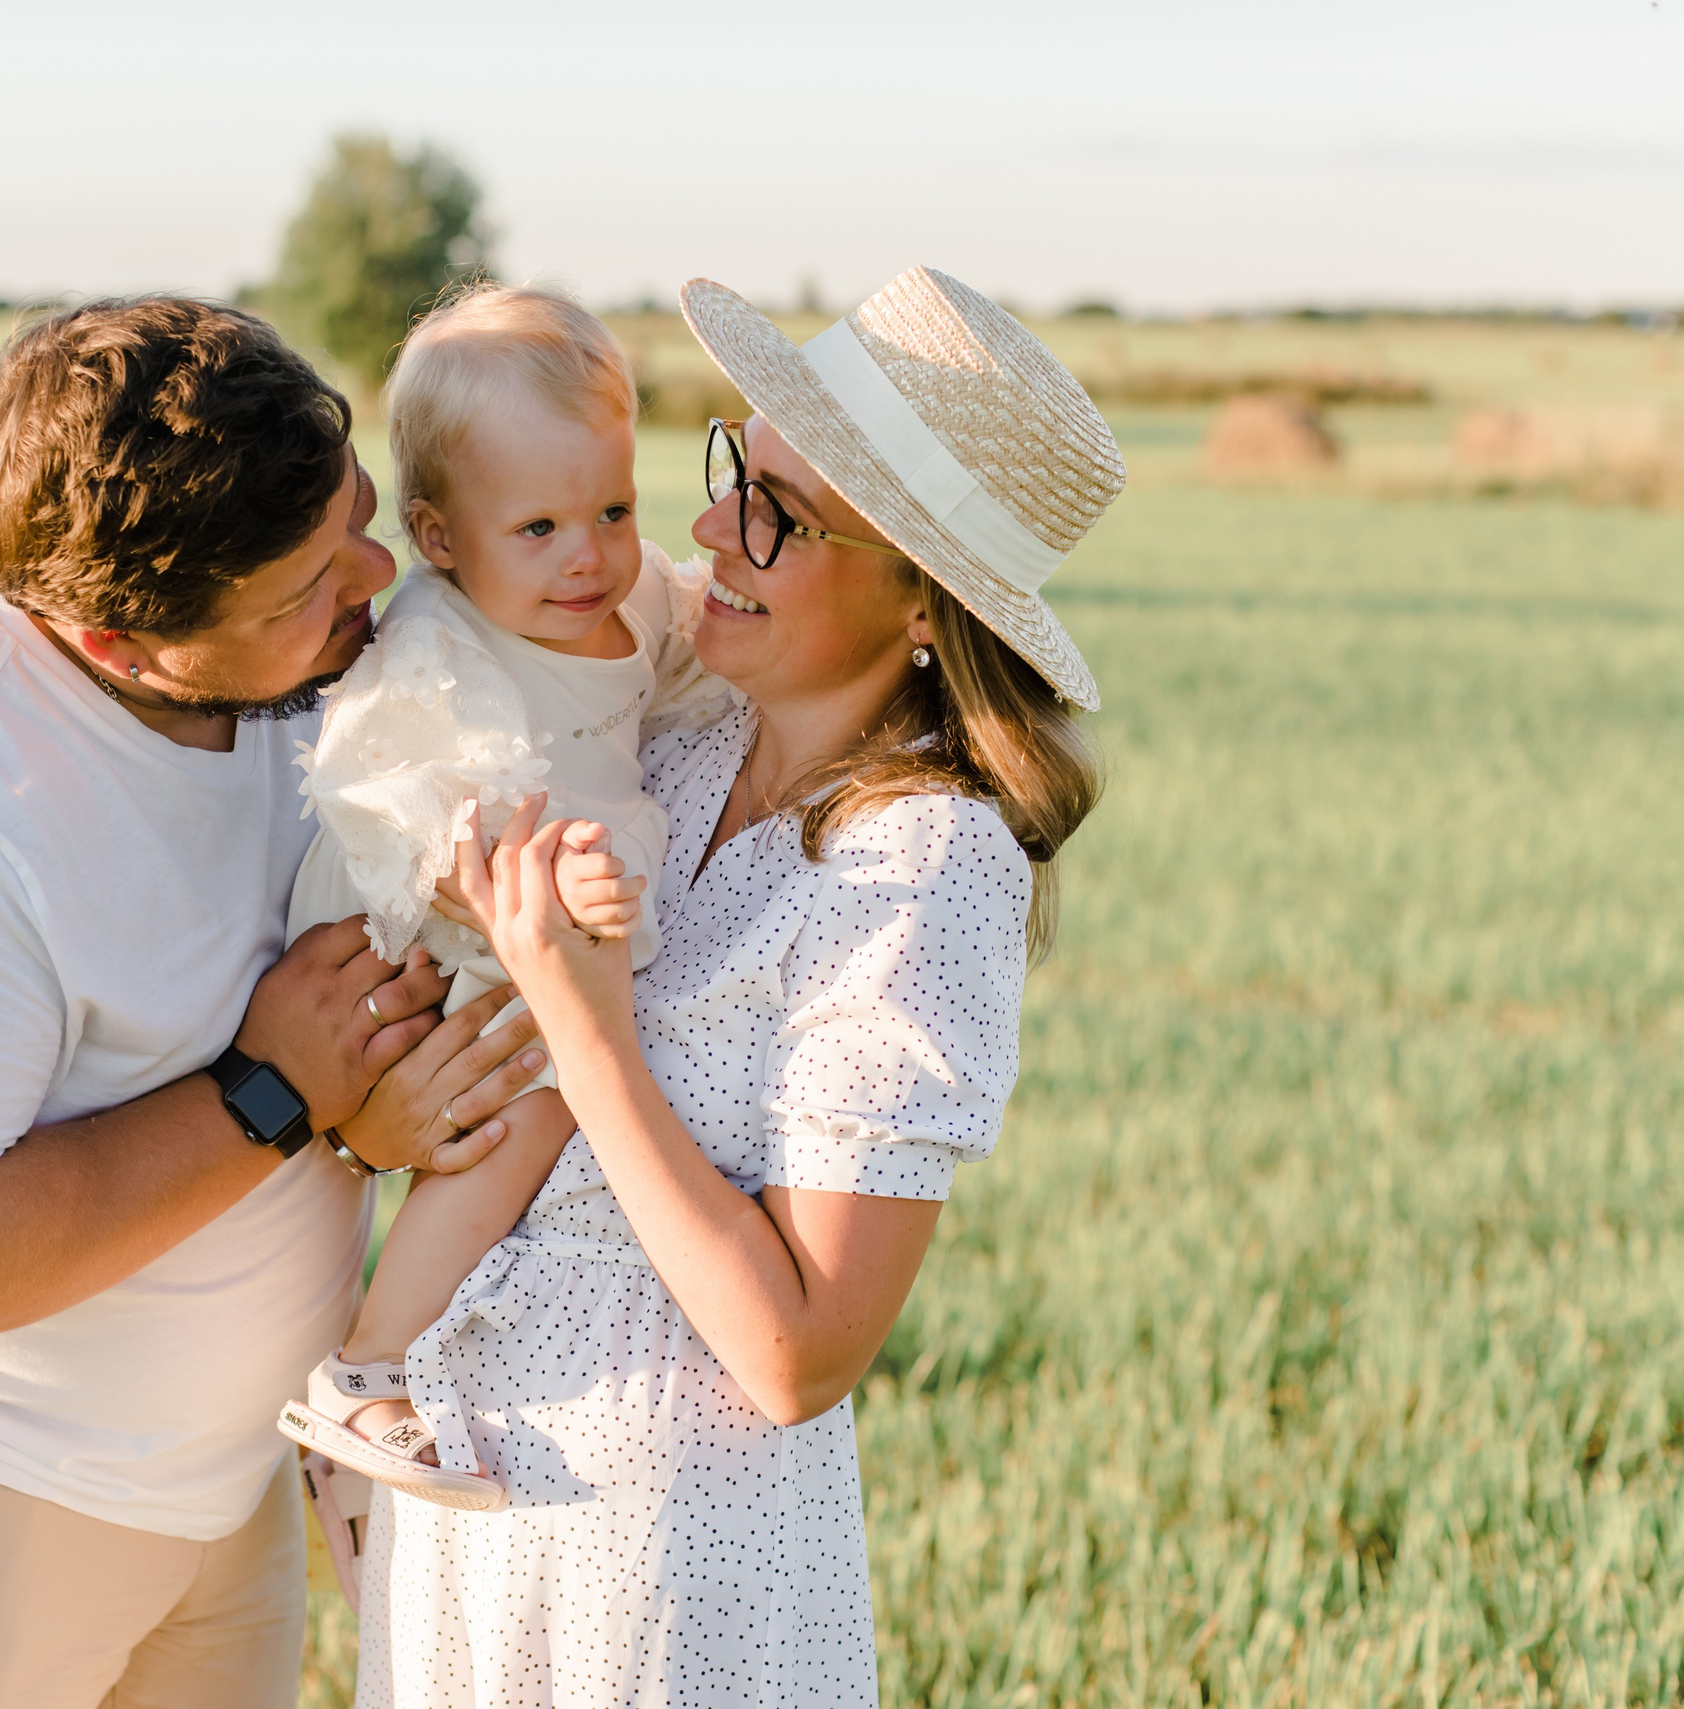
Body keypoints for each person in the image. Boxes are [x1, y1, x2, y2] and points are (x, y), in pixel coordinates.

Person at [0, 296, 549, 1709]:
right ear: (120, 646)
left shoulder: (314, 642)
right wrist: (274, 1091)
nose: (377, 572)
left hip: (220, 1477)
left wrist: (369, 1109)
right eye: (303, 587)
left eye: (353, 510)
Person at [354, 266, 1126, 1707]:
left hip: (663, 1558)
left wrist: (587, 1029)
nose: (711, 528)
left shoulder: (923, 860)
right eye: (732, 473)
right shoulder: (680, 743)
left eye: (778, 512)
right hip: (472, 1500)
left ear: (922, 596)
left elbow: (796, 1354)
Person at [274, 285, 733, 1509]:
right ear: (437, 534)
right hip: (430, 925)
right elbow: (402, 798)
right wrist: (546, 869)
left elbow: (682, 652)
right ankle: (366, 1364)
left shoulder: (617, 596)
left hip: (541, 907)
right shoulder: (439, 648)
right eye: (537, 526)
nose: (588, 553)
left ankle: (456, 1344)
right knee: (530, 1103)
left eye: (614, 509)